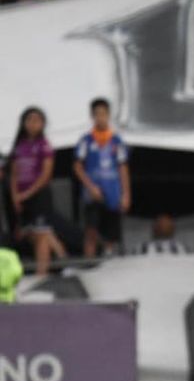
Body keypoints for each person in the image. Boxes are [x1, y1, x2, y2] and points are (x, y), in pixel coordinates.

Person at [8, 107, 66, 276]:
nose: (33, 124)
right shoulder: (19, 146)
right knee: (35, 233)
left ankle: (42, 273)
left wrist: (27, 194)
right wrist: (15, 197)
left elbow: (45, 175)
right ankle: (65, 260)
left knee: (42, 233)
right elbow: (14, 174)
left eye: (37, 120)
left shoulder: (44, 146)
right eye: (30, 120)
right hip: (22, 197)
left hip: (39, 196)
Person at [73, 98, 131, 257]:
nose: (101, 117)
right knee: (91, 230)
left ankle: (109, 260)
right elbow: (77, 167)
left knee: (112, 232)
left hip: (112, 192)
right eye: (97, 114)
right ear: (92, 116)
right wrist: (91, 187)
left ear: (108, 115)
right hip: (93, 195)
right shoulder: (86, 140)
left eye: (103, 114)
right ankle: (89, 261)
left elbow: (123, 168)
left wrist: (126, 194)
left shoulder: (116, 140)